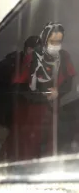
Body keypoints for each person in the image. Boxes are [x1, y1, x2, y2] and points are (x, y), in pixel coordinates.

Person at [9, 22, 76, 161]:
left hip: (54, 109)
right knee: (29, 149)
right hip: (33, 111)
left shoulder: (64, 56)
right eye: (53, 40)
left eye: (59, 41)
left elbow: (69, 80)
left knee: (52, 147)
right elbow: (19, 84)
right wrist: (37, 95)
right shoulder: (33, 57)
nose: (55, 44)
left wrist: (58, 91)